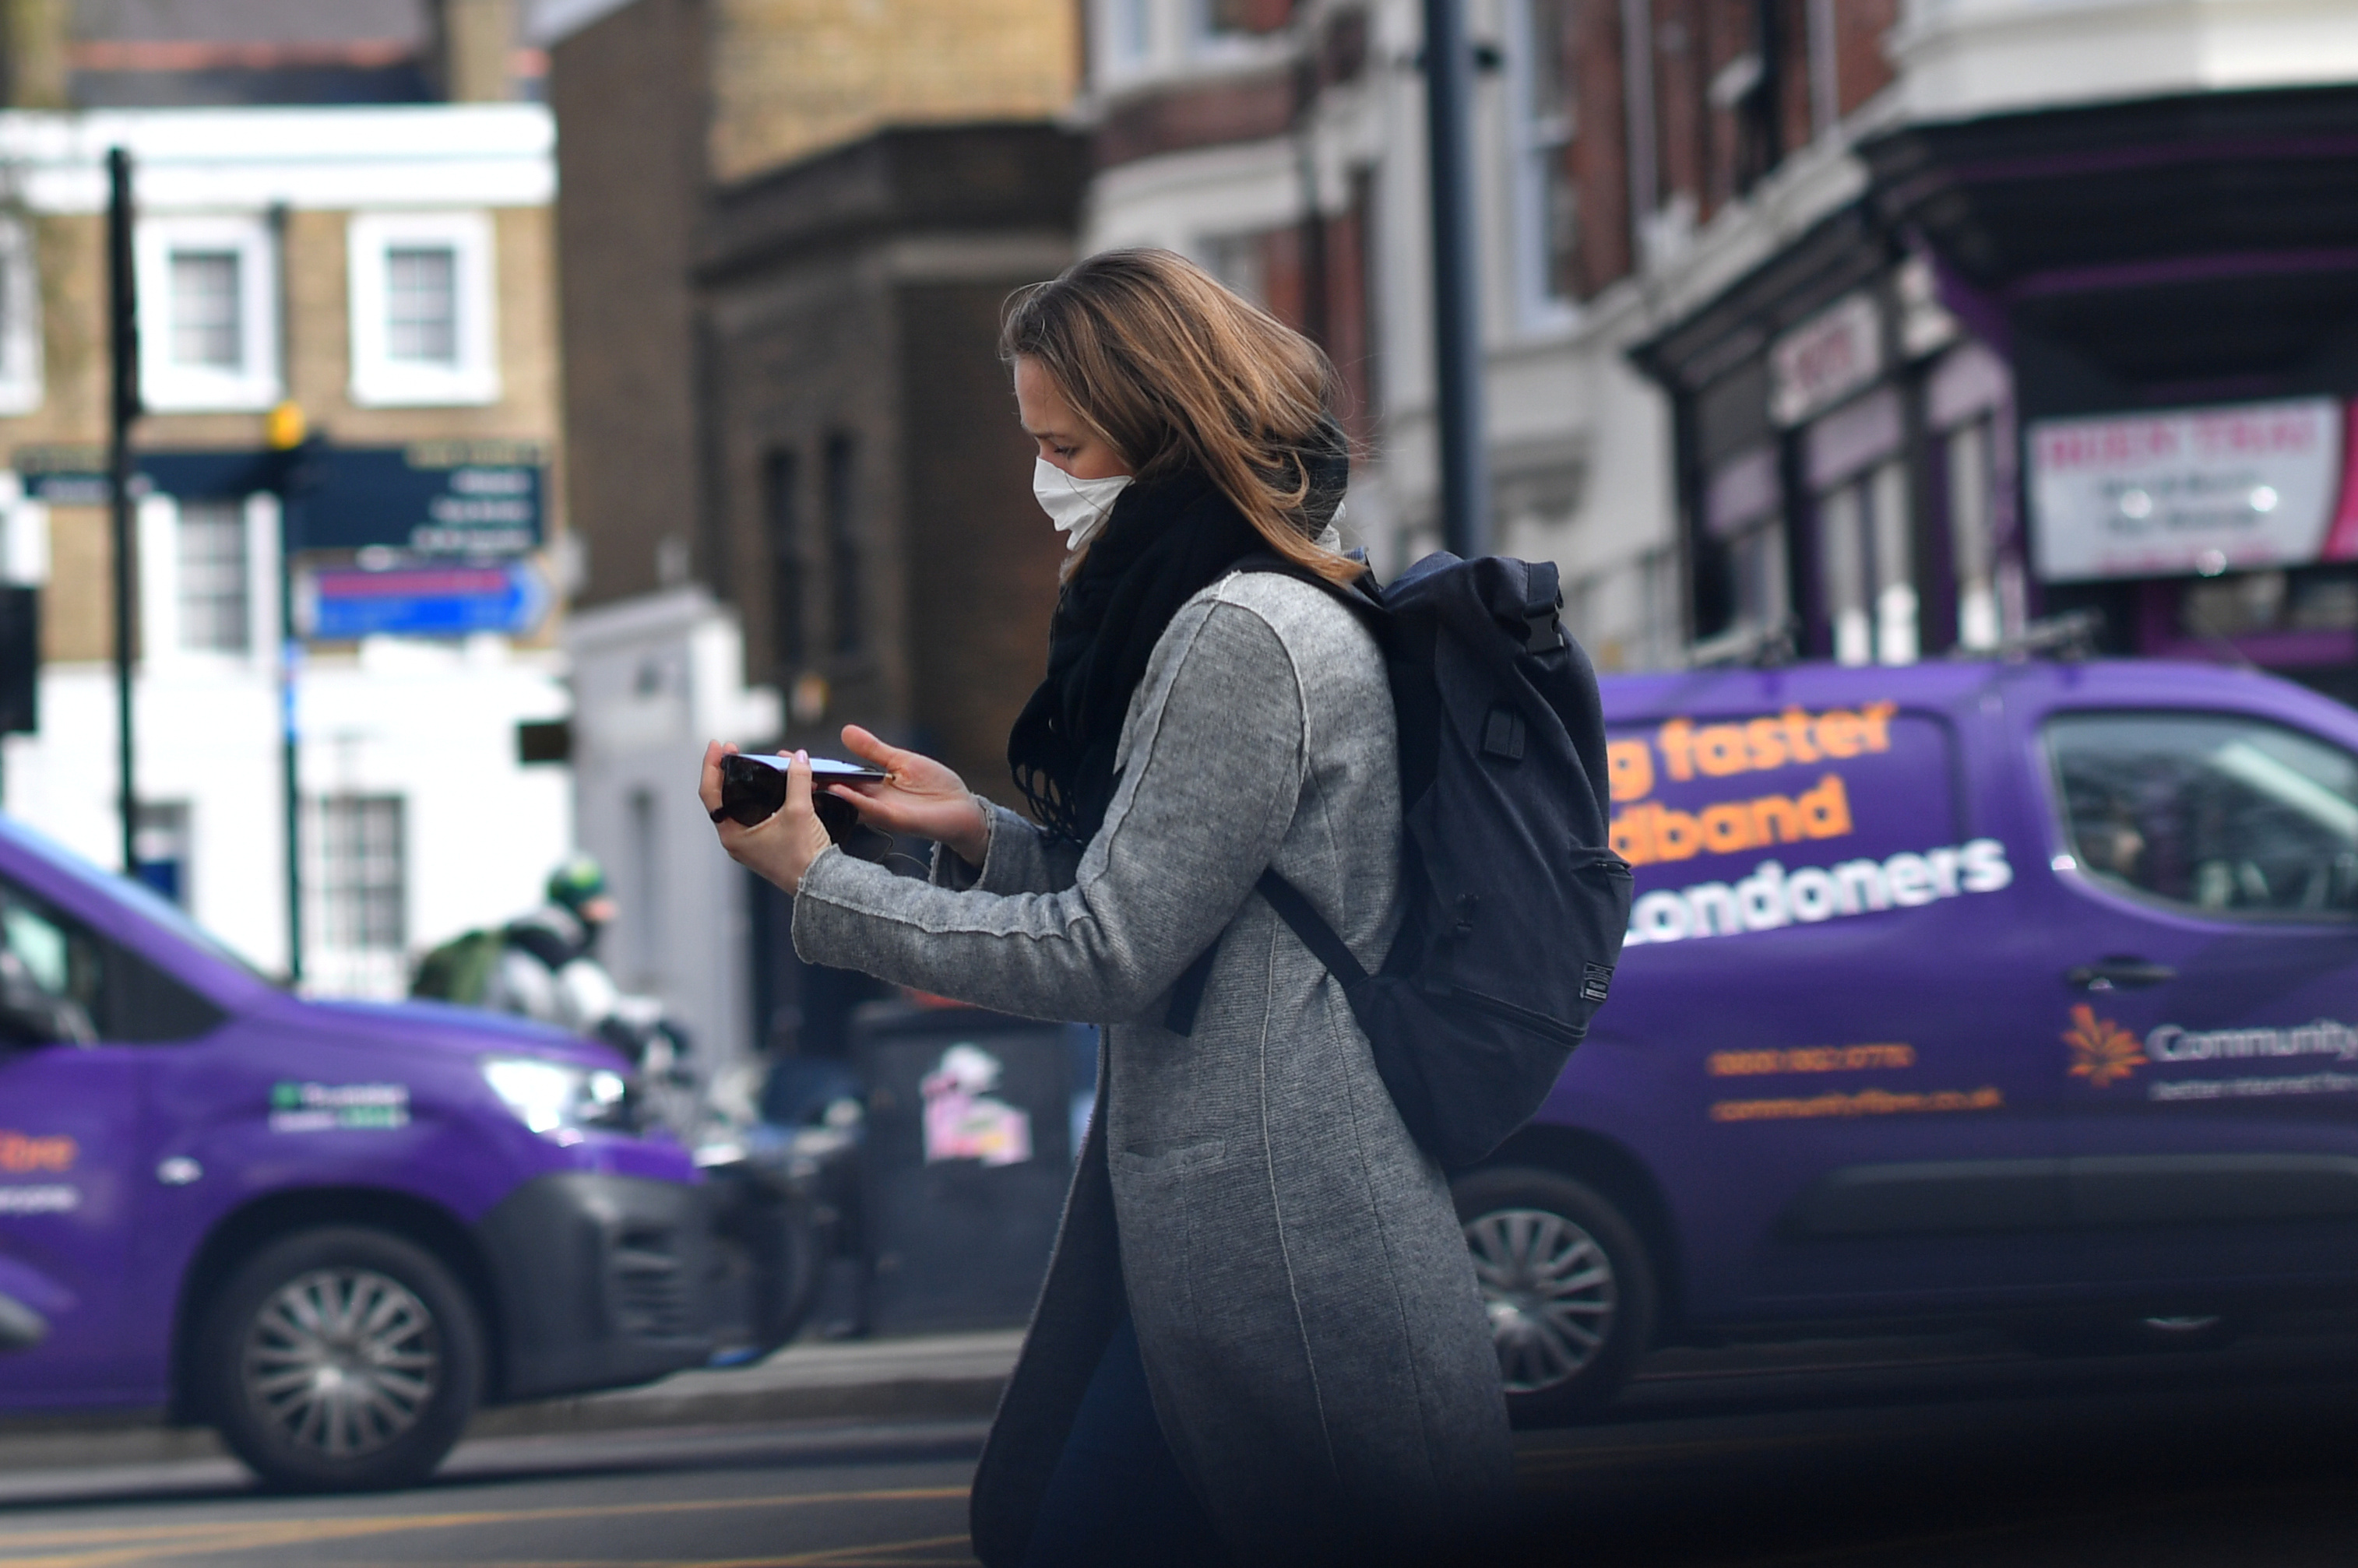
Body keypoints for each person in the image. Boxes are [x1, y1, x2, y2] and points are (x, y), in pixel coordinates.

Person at [701, 249, 1513, 1567]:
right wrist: (972, 829)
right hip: (1212, 1227)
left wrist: (819, 883)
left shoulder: (1239, 634)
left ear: (1162, 428)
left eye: (1066, 445)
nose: (1046, 483)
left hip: (1281, 1233)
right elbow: (1182, 896)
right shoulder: (1252, 603)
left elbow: (1113, 946)